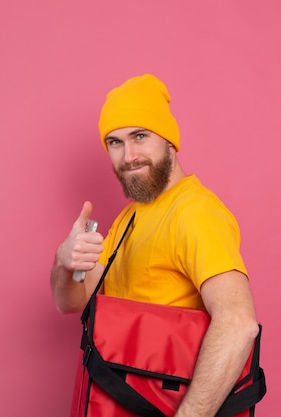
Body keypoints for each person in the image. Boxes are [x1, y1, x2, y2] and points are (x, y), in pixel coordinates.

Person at [50, 74, 259, 417]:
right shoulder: (127, 219)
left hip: (169, 404)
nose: (129, 155)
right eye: (115, 143)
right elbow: (70, 302)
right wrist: (65, 262)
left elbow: (238, 322)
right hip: (118, 399)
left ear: (169, 140)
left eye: (140, 136)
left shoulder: (196, 211)